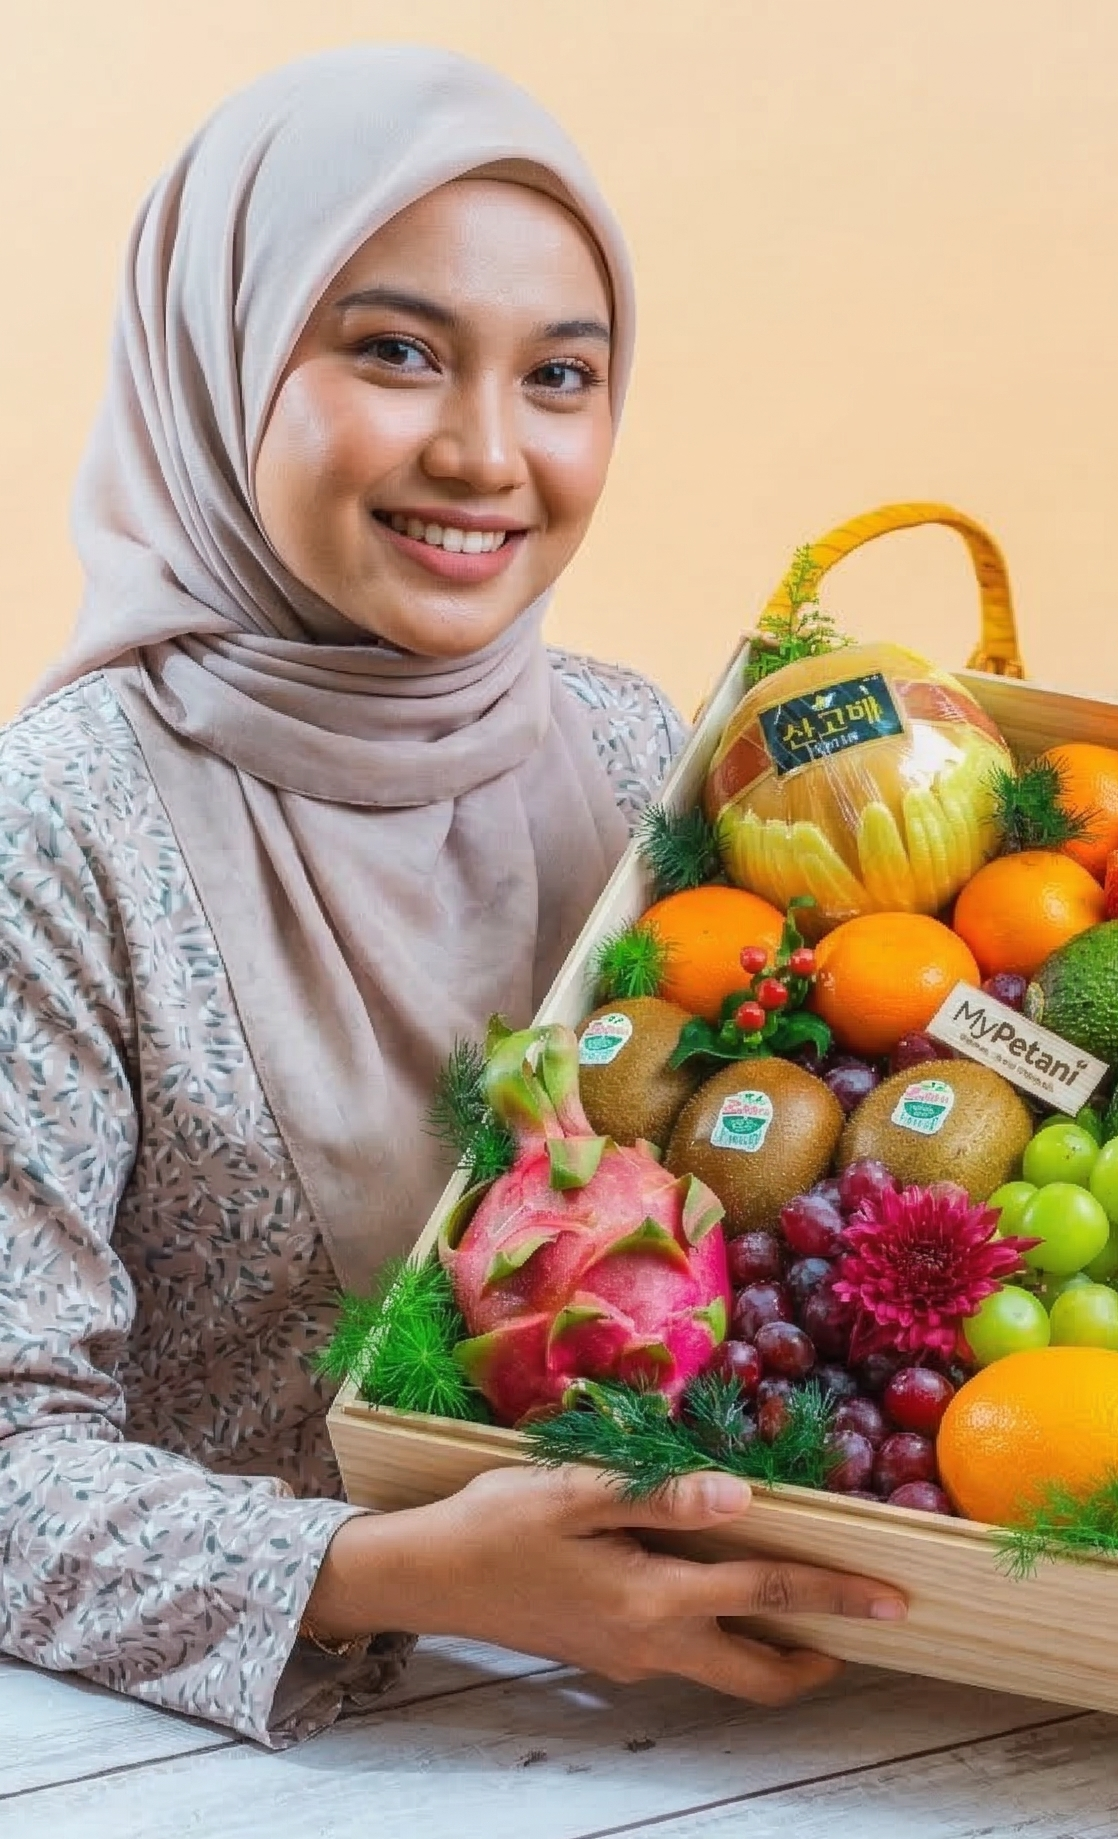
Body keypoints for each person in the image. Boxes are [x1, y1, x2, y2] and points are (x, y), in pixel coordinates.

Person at [0, 44, 905, 1750]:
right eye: (397, 352)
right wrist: (389, 1571)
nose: (489, 453)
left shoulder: (641, 750)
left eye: (562, 375)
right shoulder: (59, 830)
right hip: (233, 1779)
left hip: (719, 1723)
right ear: (221, 354)